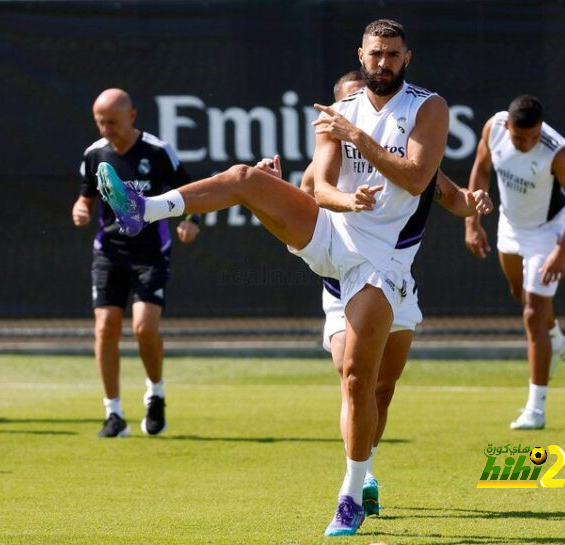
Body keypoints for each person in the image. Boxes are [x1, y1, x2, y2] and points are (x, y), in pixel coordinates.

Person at [96, 19, 448, 537]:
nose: (383, 62)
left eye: (393, 54)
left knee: (367, 383)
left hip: (384, 261)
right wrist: (345, 198)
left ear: (407, 57)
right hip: (334, 233)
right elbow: (321, 186)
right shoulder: (338, 113)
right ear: (362, 53)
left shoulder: (427, 107)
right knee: (245, 178)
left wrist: (358, 140)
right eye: (375, 54)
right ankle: (142, 208)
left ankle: (353, 491)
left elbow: (418, 178)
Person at [280, 72, 492, 519]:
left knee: (382, 388)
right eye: (347, 103)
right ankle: (356, 484)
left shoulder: (405, 156)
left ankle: (366, 468)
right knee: (352, 375)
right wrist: (275, 187)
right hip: (343, 282)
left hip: (396, 281)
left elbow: (449, 196)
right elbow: (303, 208)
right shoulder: (327, 157)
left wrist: (473, 203)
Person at [72, 88, 200, 438]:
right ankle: (113, 414)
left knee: (144, 327)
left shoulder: (157, 152)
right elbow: (85, 198)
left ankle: (155, 394)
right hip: (109, 253)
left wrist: (191, 222)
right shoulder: (94, 154)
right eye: (100, 121)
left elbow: (189, 193)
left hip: (150, 253)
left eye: (112, 121)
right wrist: (81, 209)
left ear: (132, 116)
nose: (105, 128)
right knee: (106, 328)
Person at [464, 94, 565, 430]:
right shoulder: (493, 128)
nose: (528, 143)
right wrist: (472, 222)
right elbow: (480, 168)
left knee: (533, 312)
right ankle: (555, 336)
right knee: (520, 294)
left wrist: (560, 251)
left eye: (534, 137)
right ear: (507, 127)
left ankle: (536, 408)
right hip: (509, 225)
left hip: (548, 232)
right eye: (521, 138)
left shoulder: (558, 151)